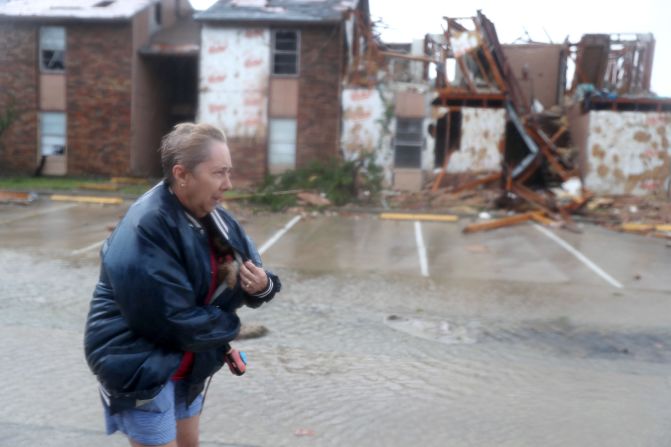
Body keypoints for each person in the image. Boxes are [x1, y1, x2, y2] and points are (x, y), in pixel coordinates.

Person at [84, 123, 281, 447]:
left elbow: (254, 271)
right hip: (138, 364)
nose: (228, 184)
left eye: (229, 173)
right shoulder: (146, 227)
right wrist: (229, 330)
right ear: (182, 174)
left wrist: (262, 286)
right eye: (219, 173)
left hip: (190, 363)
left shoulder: (215, 217)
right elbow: (171, 322)